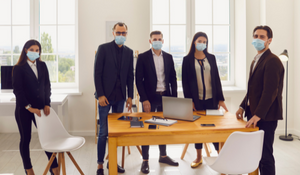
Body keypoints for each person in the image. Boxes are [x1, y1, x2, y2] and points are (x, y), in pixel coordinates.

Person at [236, 25, 284, 175]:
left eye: (262, 37)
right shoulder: (256, 60)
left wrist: (258, 114)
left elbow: (270, 92)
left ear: (269, 40)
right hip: (253, 114)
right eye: (255, 36)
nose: (257, 39)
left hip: (266, 116)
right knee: (255, 154)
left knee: (265, 155)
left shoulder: (273, 61)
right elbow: (253, 89)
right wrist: (243, 106)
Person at [12, 40, 59, 175]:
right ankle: (29, 169)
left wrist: (47, 104)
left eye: (37, 50)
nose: (35, 52)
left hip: (41, 109)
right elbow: (18, 91)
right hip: (24, 110)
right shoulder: (19, 68)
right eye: (32, 49)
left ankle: (53, 166)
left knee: (47, 137)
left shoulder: (42, 65)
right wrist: (29, 107)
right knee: (25, 138)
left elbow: (47, 86)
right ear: (26, 50)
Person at [182, 32, 228, 168]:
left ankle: (221, 154)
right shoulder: (187, 60)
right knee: (198, 129)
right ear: (194, 42)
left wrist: (220, 99)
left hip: (212, 99)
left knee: (214, 128)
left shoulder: (211, 58)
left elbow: (217, 79)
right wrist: (190, 101)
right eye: (200, 41)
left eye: (205, 41)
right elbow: (185, 82)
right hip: (197, 100)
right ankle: (198, 156)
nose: (202, 43)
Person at [135, 30, 178, 174]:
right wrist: (144, 99)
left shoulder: (169, 57)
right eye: (155, 39)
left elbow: (173, 78)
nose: (157, 41)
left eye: (159, 39)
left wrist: (174, 99)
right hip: (149, 98)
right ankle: (145, 160)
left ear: (163, 41)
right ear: (150, 41)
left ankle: (163, 156)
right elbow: (138, 81)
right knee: (147, 129)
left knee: (164, 127)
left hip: (165, 97)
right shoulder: (143, 57)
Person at [94, 22, 134, 175]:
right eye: (118, 33)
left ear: (127, 34)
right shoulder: (103, 49)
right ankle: (99, 165)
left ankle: (113, 162)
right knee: (103, 132)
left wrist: (130, 96)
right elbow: (97, 73)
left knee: (116, 132)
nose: (121, 36)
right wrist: (101, 95)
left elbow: (131, 76)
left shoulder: (129, 52)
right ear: (113, 33)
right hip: (105, 97)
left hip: (120, 97)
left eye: (124, 33)